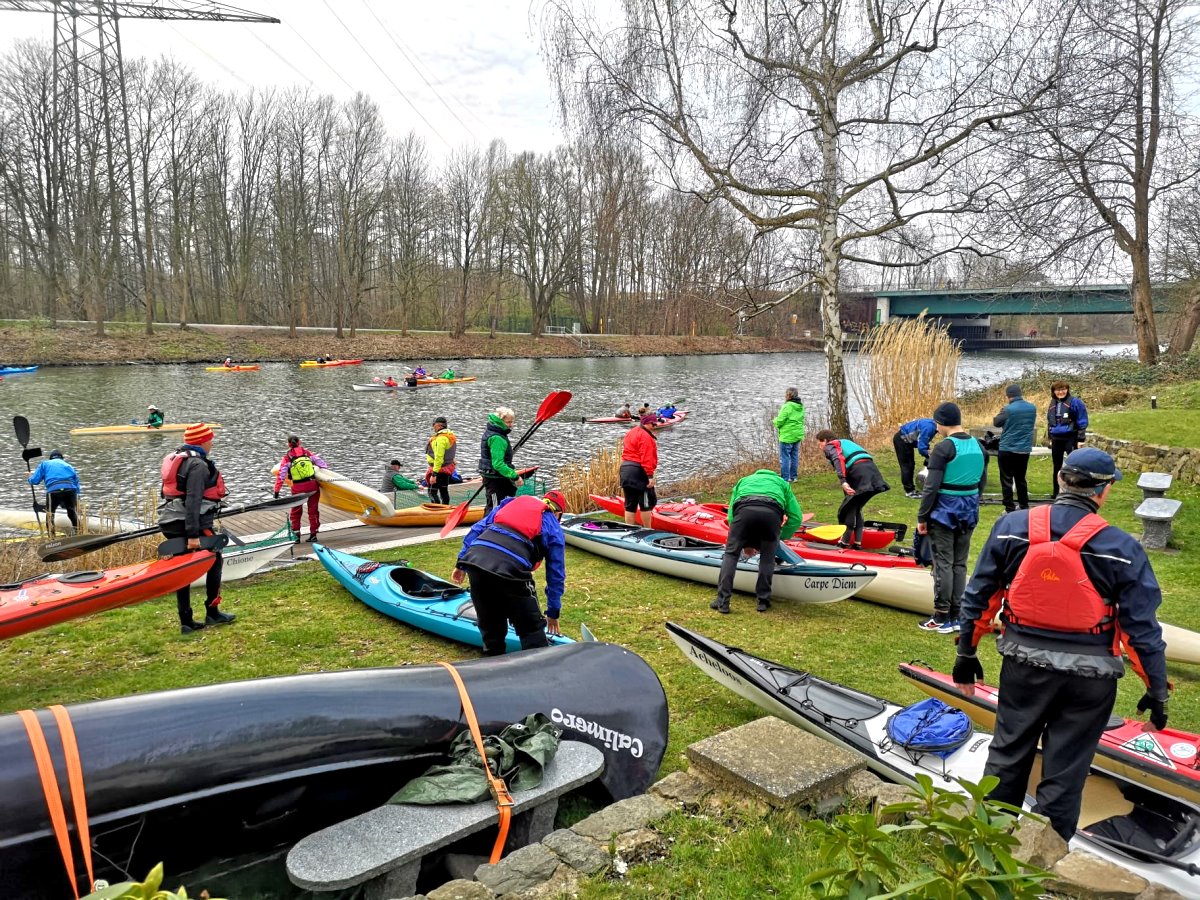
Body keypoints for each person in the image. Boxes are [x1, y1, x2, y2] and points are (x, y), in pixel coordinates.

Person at [951, 447, 1169, 841]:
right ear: (1104, 492)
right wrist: (1156, 690)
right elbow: (1142, 630)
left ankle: (986, 850)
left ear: (1060, 480)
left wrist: (966, 653)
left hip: (1023, 666)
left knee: (1007, 755)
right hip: (1090, 679)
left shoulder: (1010, 527)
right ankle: (1043, 863)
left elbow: (979, 598)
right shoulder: (1122, 548)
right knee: (1065, 770)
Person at [452, 490, 568, 655]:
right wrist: (553, 612)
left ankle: (492, 660)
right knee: (531, 628)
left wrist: (460, 563)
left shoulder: (511, 503)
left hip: (476, 561)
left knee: (490, 623)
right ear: (558, 513)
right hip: (512, 569)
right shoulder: (553, 525)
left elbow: (477, 529)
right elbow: (555, 574)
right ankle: (540, 669)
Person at [158, 423, 235, 634]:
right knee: (215, 559)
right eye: (210, 438)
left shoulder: (178, 458)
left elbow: (167, 494)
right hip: (190, 523)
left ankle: (186, 621)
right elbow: (193, 500)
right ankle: (213, 612)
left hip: (170, 520)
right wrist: (192, 535)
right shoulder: (198, 465)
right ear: (202, 441)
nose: (212, 442)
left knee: (182, 569)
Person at [917, 402, 986, 633]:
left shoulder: (943, 448)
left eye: (937, 423)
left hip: (944, 512)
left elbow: (931, 487)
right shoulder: (979, 446)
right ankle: (957, 614)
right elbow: (981, 482)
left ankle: (941, 615)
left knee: (943, 563)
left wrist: (922, 517)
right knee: (960, 562)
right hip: (969, 509)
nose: (936, 427)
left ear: (942, 423)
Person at [711, 469, 804, 614]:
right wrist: (780, 536)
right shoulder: (782, 483)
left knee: (731, 555)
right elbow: (796, 517)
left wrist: (740, 538)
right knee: (767, 558)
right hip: (772, 515)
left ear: (756, 475)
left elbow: (730, 517)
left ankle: (722, 602)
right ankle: (763, 601)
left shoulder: (743, 480)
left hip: (743, 511)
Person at [815, 429, 890, 550]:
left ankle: (844, 542)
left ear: (825, 440)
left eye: (820, 443)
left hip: (858, 472)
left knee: (848, 508)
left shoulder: (830, 446)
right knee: (856, 506)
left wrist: (843, 481)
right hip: (872, 472)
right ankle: (857, 543)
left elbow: (838, 460)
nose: (820, 447)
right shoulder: (844, 442)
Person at [993, 383, 1038, 512]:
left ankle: (1009, 506)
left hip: (1007, 447)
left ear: (1008, 395)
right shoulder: (1032, 408)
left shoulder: (1008, 409)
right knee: (1020, 478)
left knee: (1006, 478)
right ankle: (1024, 505)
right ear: (1020, 393)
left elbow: (996, 422)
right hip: (1024, 449)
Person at [274, 435, 321, 543]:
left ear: (288, 444)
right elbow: (322, 464)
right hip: (312, 485)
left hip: (297, 488)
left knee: (296, 512)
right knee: (313, 510)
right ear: (299, 442)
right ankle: (313, 535)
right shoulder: (307, 453)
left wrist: (276, 491)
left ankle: (296, 537)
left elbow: (281, 476)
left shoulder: (287, 457)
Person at [1048, 381, 1088, 498]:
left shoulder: (1075, 402)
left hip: (1070, 437)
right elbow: (1050, 420)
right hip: (1056, 438)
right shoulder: (1053, 403)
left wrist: (1081, 438)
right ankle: (1056, 492)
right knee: (1056, 466)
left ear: (1067, 389)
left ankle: (1075, 491)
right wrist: (1050, 437)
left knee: (1074, 465)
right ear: (1054, 391)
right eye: (1058, 390)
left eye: (1063, 389)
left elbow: (1082, 420)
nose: (1060, 392)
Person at [480, 406, 524, 512]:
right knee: (495, 510)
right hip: (495, 479)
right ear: (500, 421)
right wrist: (515, 476)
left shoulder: (495, 432)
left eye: (511, 422)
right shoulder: (497, 438)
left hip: (494, 477)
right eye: (508, 422)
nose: (510, 425)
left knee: (499, 507)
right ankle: (490, 528)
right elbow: (498, 464)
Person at [28, 450, 81, 536]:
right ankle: (79, 533)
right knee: (71, 511)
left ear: (50, 458)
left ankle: (51, 538)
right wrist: (78, 498)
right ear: (61, 458)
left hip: (53, 490)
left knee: (50, 514)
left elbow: (35, 481)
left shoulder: (44, 464)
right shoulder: (68, 466)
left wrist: (29, 478)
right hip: (70, 490)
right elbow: (77, 483)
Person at [620, 413, 659, 525]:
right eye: (653, 423)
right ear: (646, 423)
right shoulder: (646, 437)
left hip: (625, 469)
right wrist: (650, 476)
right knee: (645, 503)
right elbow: (646, 457)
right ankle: (648, 529)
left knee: (630, 503)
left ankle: (629, 529)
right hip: (639, 470)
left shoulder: (631, 432)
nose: (655, 426)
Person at [893, 417, 938, 498]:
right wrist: (929, 454)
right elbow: (922, 448)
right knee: (907, 466)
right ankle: (909, 491)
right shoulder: (929, 427)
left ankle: (911, 488)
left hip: (907, 440)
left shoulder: (932, 425)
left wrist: (928, 452)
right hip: (902, 440)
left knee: (911, 464)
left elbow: (923, 440)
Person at [772, 388, 806, 483]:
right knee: (794, 456)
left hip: (787, 436)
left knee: (785, 457)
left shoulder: (787, 406)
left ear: (788, 395)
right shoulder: (800, 406)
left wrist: (774, 420)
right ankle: (793, 477)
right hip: (797, 435)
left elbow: (779, 422)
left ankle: (785, 479)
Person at [425, 416, 458, 505]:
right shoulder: (450, 435)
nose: (433, 427)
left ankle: (437, 511)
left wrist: (434, 474)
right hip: (447, 469)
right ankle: (445, 510)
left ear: (439, 426)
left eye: (434, 425)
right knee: (444, 491)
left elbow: (439, 457)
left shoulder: (440, 438)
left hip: (438, 469)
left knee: (432, 492)